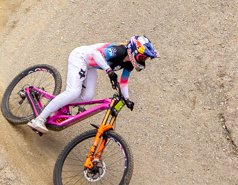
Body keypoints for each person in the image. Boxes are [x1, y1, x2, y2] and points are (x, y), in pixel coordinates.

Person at [27, 36, 160, 133]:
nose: (144, 60)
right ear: (135, 51)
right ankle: (39, 119)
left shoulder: (129, 64)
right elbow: (96, 54)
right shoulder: (119, 51)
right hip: (80, 57)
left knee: (88, 96)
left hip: (91, 66)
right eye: (143, 57)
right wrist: (108, 71)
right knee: (73, 92)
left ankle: (57, 107)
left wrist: (127, 99)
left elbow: (124, 82)